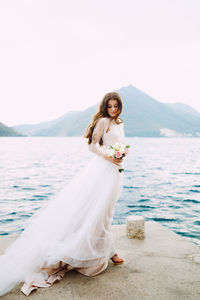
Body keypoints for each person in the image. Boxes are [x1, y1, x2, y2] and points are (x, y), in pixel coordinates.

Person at [0, 91, 127, 296]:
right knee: (98, 212)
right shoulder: (103, 122)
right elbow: (93, 146)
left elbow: (118, 145)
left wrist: (119, 156)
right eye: (110, 106)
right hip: (103, 170)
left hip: (115, 172)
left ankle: (109, 250)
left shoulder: (120, 123)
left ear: (120, 107)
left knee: (108, 212)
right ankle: (110, 252)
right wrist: (110, 158)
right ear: (105, 107)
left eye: (116, 106)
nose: (113, 109)